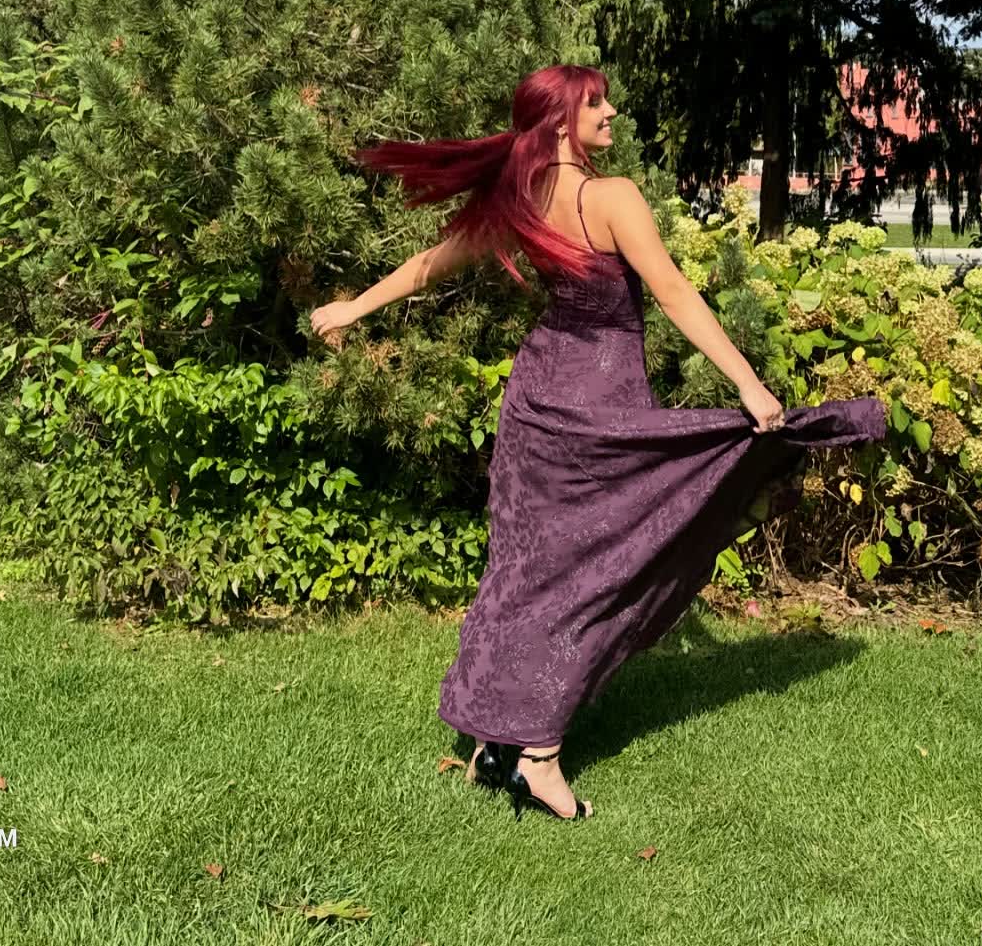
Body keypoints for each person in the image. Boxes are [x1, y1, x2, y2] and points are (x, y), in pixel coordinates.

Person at [310, 65, 884, 823]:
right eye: (595, 103)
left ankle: (494, 741)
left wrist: (353, 306)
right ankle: (539, 756)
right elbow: (673, 292)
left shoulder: (521, 196)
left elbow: (428, 266)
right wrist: (748, 384)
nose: (611, 112)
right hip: (599, 401)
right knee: (599, 572)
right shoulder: (612, 198)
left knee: (528, 570)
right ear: (560, 123)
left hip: (537, 398)